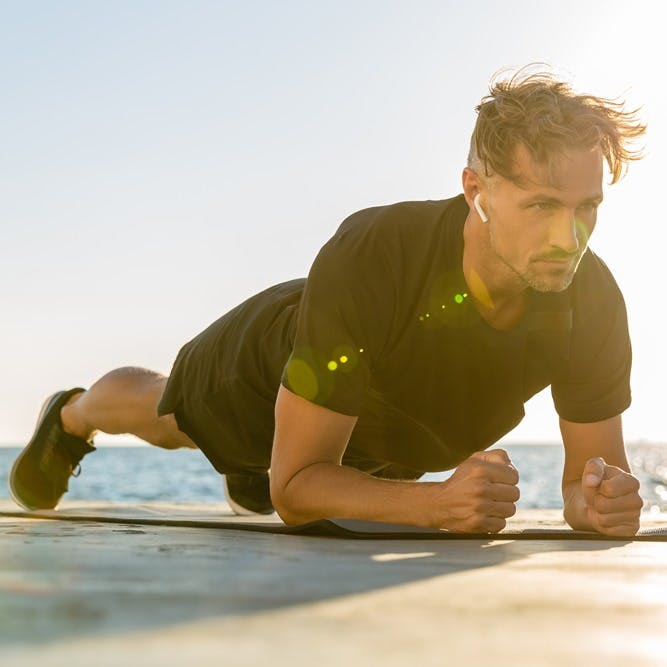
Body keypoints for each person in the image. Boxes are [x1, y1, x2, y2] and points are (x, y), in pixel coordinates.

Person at [9, 66, 647, 536]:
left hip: (381, 438)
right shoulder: (375, 254)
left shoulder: (590, 300)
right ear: (475, 189)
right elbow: (296, 491)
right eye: (541, 205)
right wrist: (437, 505)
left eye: (586, 207)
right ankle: (73, 414)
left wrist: (596, 501)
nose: (569, 238)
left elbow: (583, 479)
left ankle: (258, 469)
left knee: (297, 471)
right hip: (267, 374)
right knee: (169, 418)